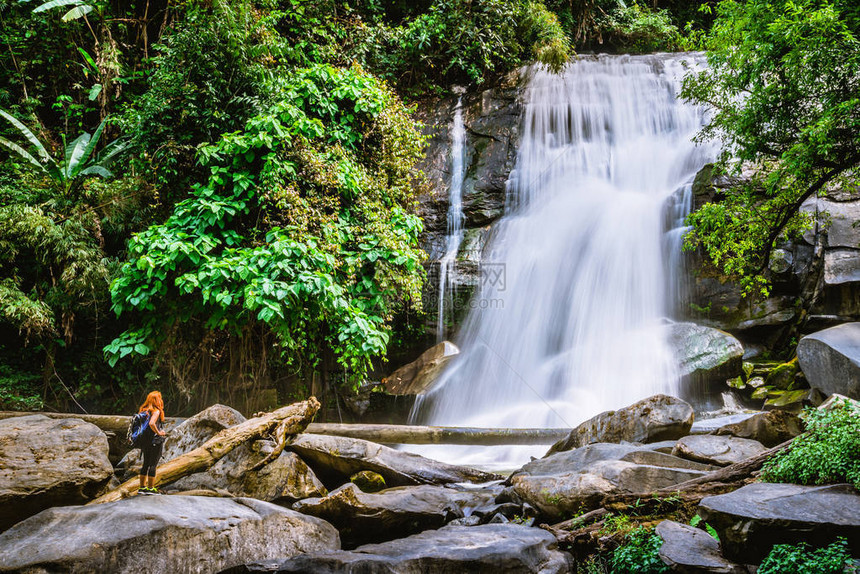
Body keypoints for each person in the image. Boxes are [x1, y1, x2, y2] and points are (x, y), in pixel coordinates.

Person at [137, 391, 167, 495]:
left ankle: (142, 488)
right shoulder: (156, 411)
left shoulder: (144, 411)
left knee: (145, 464)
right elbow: (151, 423)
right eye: (160, 398)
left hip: (145, 441)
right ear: (157, 400)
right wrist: (159, 432)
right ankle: (150, 488)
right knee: (153, 465)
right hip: (155, 441)